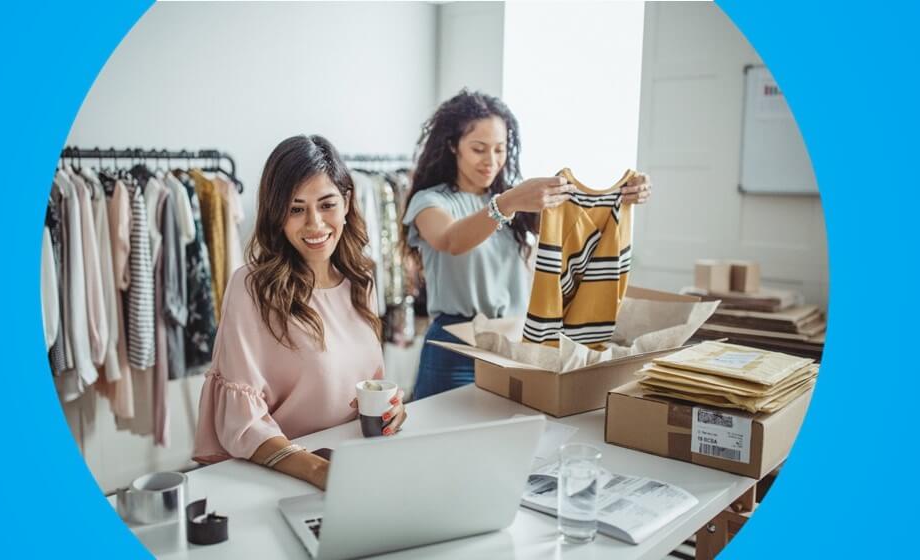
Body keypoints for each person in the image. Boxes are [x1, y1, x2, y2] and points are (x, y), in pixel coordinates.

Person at [402, 90, 652, 400]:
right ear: (453, 146)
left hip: (515, 342)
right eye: (479, 149)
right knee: (439, 438)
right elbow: (451, 240)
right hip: (455, 347)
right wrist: (507, 203)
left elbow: (578, 224)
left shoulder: (517, 201)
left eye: (500, 149)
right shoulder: (431, 201)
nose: (491, 161)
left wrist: (624, 194)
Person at [193, 135, 407, 490]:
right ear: (277, 215)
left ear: (347, 202)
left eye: (327, 205)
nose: (315, 224)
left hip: (356, 464)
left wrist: (392, 410)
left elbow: (365, 387)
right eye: (296, 209)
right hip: (281, 477)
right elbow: (242, 424)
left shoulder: (361, 279)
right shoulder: (251, 288)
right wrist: (319, 472)